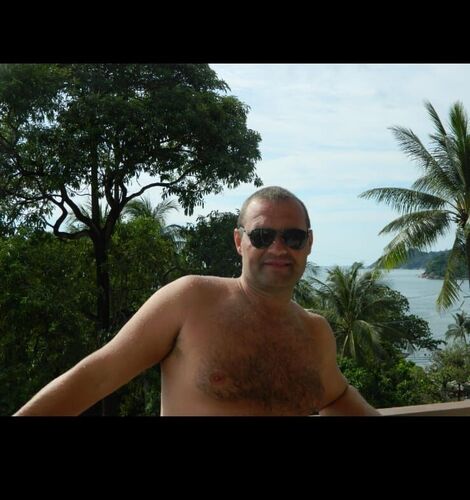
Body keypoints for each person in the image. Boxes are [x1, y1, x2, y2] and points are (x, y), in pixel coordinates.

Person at [14, 186, 380, 416]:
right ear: (239, 242)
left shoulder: (314, 332)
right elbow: (95, 377)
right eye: (262, 236)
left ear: (309, 243)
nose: (278, 248)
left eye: (293, 237)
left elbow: (338, 396)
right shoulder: (191, 300)